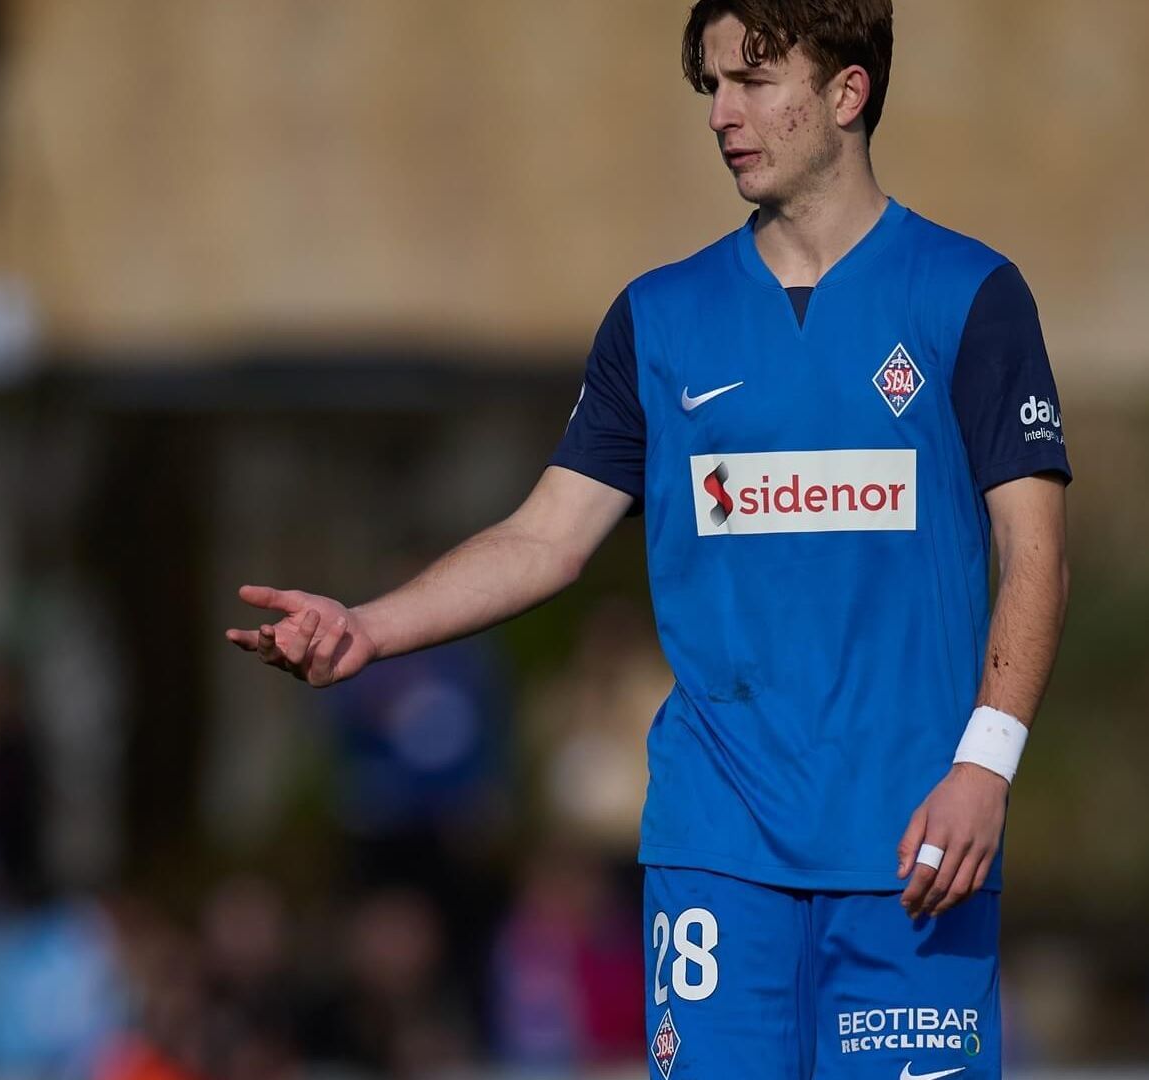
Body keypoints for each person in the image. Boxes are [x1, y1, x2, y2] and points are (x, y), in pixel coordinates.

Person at [226, 2, 1070, 1075]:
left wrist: (985, 767)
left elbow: (1036, 555)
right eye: (711, 86)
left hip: (917, 845)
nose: (722, 113)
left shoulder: (970, 296)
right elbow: (547, 537)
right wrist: (367, 628)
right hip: (717, 852)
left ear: (848, 94)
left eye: (754, 82)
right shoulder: (660, 318)